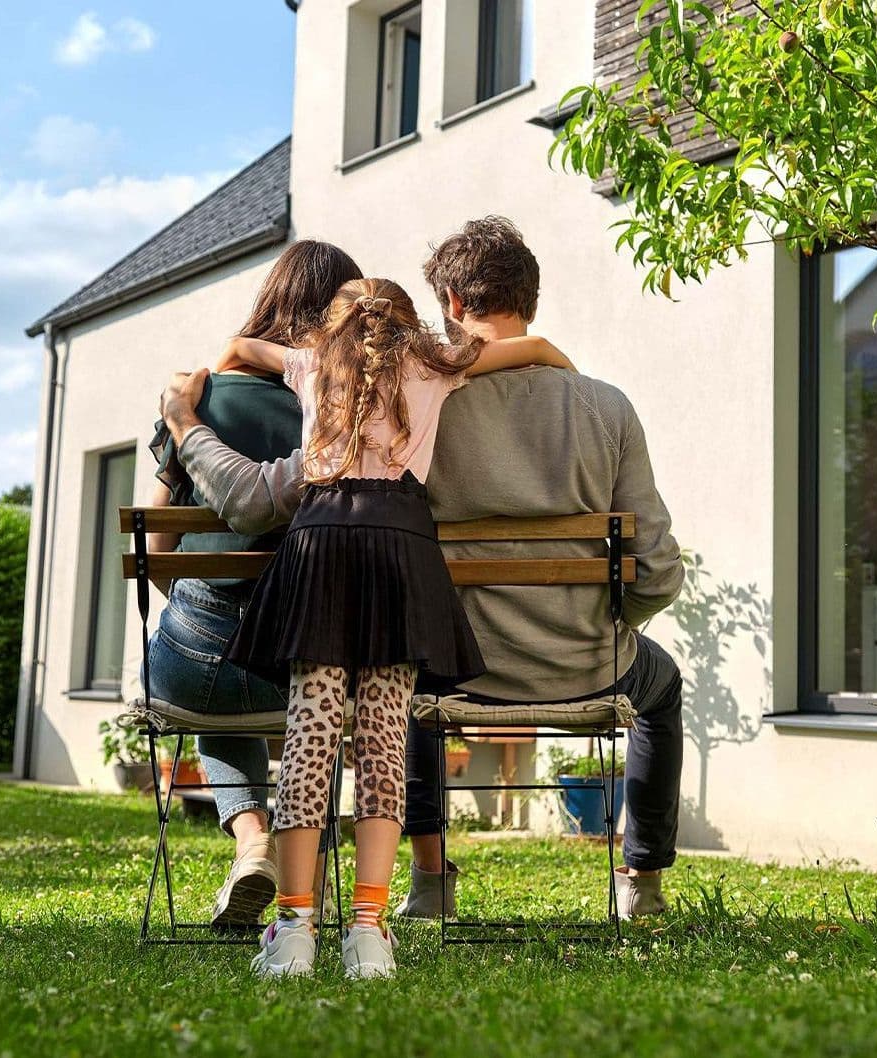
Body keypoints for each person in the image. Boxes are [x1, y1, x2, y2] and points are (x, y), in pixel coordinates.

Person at [159, 217, 687, 925]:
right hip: (589, 660)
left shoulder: (417, 400)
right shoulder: (607, 407)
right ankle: (641, 882)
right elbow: (656, 570)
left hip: (453, 665)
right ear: (530, 297)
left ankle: (430, 880)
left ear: (453, 304)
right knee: (662, 686)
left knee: (399, 670)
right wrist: (612, 626)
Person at [213, 276, 576, 979]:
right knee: (383, 742)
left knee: (311, 735)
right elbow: (539, 349)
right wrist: (562, 369)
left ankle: (295, 930)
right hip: (399, 548)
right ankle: (369, 931)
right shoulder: (436, 362)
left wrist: (225, 373)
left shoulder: (311, 363)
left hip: (319, 545)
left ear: (335, 327)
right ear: (406, 325)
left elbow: (237, 349)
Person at [139, 239, 361, 930]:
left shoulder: (200, 398)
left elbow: (156, 550)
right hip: (300, 670)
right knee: (318, 673)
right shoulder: (347, 413)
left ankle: (253, 841)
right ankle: (304, 869)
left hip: (190, 669)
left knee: (212, 676)